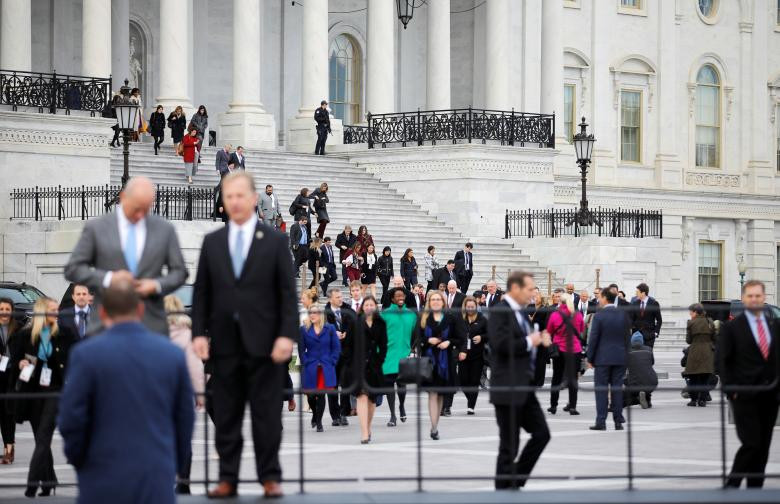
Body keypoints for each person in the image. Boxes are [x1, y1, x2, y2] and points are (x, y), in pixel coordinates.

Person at [191, 171, 298, 498]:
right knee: (226, 416)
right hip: (225, 345)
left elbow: (287, 294)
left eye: (240, 196)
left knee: (267, 416)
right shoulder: (213, 242)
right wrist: (198, 334)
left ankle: (270, 477)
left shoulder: (275, 241)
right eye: (229, 197)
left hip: (266, 345)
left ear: (253, 199)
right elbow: (202, 293)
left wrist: (286, 336)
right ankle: (227, 478)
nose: (234, 202)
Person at [58, 279, 195, 504]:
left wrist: (80, 459)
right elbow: (184, 418)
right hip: (155, 472)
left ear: (102, 312)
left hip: (100, 471)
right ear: (140, 310)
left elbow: (71, 418)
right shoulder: (171, 354)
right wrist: (173, 463)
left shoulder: (85, 354)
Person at [65, 177, 187, 336]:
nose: (140, 215)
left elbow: (180, 272)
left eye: (146, 209)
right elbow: (73, 269)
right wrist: (109, 279)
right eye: (136, 208)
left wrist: (156, 285)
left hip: (151, 325)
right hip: (106, 323)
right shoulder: (96, 227)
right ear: (123, 197)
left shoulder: (165, 229)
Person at [488, 271, 551, 490]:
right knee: (509, 446)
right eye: (529, 289)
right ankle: (503, 491)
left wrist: (540, 341)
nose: (533, 293)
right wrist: (530, 341)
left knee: (542, 434)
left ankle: (514, 479)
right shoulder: (500, 311)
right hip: (507, 387)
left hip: (524, 386)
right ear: (515, 288)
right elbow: (500, 345)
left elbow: (527, 344)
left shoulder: (522, 313)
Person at [717, 280, 780, 489]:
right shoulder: (731, 328)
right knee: (752, 443)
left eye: (758, 296)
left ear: (764, 298)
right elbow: (722, 361)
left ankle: (755, 491)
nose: (754, 300)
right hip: (744, 395)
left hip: (770, 395)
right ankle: (731, 486)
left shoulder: (775, 326)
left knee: (763, 447)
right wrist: (731, 390)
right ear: (743, 299)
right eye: (750, 296)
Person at [11, 297, 70, 497]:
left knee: (43, 437)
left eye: (57, 309)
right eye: (52, 309)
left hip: (55, 390)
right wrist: (20, 364)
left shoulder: (63, 334)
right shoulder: (25, 336)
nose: (56, 313)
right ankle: (49, 481)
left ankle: (32, 484)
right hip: (33, 391)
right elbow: (15, 362)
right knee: (40, 439)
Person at [164, 294, 205, 494]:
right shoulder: (187, 334)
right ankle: (183, 481)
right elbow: (195, 366)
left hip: (159, 392)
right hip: (182, 391)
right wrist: (200, 394)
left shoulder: (155, 333)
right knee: (184, 438)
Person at [416, 290, 465, 439]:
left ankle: (435, 426)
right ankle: (434, 428)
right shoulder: (423, 318)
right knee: (432, 394)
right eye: (433, 299)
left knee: (440, 395)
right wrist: (427, 340)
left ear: (443, 302)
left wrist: (449, 342)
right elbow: (416, 339)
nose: (436, 302)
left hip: (446, 361)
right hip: (429, 362)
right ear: (429, 302)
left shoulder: (451, 318)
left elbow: (460, 337)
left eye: (438, 299)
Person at [586, 288, 630, 431]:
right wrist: (626, 357)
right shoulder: (623, 315)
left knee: (601, 391)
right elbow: (627, 339)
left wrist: (590, 358)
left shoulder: (599, 316)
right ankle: (618, 421)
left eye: (600, 297)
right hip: (619, 358)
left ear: (605, 298)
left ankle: (601, 421)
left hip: (602, 359)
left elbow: (593, 338)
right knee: (617, 389)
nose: (598, 299)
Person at [299, 305, 340, 432]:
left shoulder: (330, 328)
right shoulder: (304, 329)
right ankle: (315, 415)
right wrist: (306, 361)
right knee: (311, 396)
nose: (312, 315)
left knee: (321, 395)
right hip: (311, 366)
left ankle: (319, 422)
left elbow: (336, 347)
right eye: (310, 313)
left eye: (315, 313)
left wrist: (332, 361)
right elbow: (301, 349)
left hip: (325, 366)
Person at [381, 288, 417, 426]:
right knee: (389, 386)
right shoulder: (385, 314)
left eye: (402, 295)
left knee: (402, 385)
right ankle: (392, 416)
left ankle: (401, 406)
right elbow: (380, 335)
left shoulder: (411, 315)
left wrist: (412, 348)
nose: (400, 297)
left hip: (404, 355)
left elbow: (416, 334)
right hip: (388, 355)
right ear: (392, 299)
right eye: (397, 296)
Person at [546, 293, 585, 416]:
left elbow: (549, 331)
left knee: (556, 377)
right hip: (574, 349)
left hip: (559, 349)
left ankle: (553, 405)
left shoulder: (555, 315)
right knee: (573, 379)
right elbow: (581, 330)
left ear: (560, 302)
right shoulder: (577, 315)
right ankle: (572, 406)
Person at [355, 297, 387, 443]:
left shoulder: (381, 323)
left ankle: (368, 427)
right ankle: (364, 432)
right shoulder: (356, 322)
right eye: (366, 305)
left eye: (371, 305)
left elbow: (384, 345)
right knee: (361, 396)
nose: (369, 307)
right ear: (362, 307)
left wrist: (379, 361)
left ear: (375, 307)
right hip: (359, 365)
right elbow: (349, 344)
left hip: (374, 365)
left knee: (372, 400)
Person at [323, 288, 356, 427]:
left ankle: (344, 414)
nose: (340, 299)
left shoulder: (348, 310)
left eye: (341, 296)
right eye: (337, 297)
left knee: (346, 385)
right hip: (331, 355)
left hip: (346, 353)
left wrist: (347, 332)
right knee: (332, 386)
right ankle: (335, 416)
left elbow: (356, 326)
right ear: (330, 299)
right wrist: (332, 333)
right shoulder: (324, 313)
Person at [459, 297, 488, 415]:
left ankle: (471, 406)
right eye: (468, 307)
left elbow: (490, 334)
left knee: (474, 381)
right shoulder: (461, 319)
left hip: (477, 355)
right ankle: (471, 398)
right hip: (463, 354)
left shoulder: (482, 319)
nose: (470, 309)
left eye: (472, 307)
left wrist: (481, 337)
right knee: (463, 381)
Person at [685, 303, 716, 407]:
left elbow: (688, 340)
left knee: (693, 377)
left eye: (691, 312)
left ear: (695, 312)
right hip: (708, 352)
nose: (690, 313)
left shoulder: (691, 323)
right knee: (705, 378)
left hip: (695, 351)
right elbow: (714, 338)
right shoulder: (710, 322)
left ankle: (693, 400)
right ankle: (702, 400)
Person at [0, 298, 19, 465]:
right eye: (1, 309)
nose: (4, 312)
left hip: (12, 376)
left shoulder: (18, 329)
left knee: (8, 414)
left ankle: (9, 450)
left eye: (7, 309)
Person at [626, 332, 657, 410]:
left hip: (635, 382)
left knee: (627, 382)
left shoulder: (628, 351)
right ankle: (647, 400)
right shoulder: (649, 349)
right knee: (645, 379)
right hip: (652, 381)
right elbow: (652, 362)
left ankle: (637, 398)